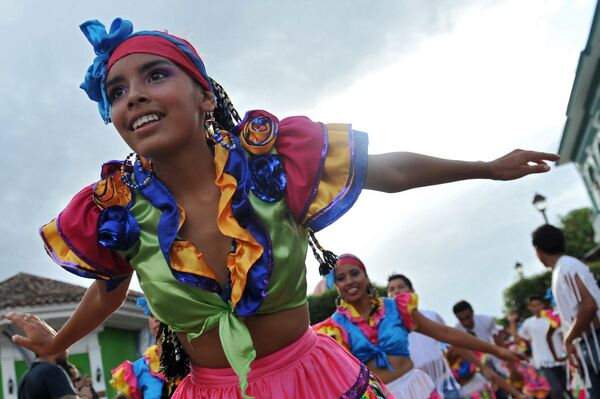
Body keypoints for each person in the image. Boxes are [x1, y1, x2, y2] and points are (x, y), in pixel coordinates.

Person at [3, 16, 557, 399]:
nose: (135, 96)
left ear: (204, 95)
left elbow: (388, 171)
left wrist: (485, 166)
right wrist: (58, 342)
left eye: (155, 75)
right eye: (118, 90)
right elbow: (109, 285)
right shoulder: (118, 209)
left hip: (313, 378)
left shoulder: (270, 162)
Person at [313, 254, 526, 399]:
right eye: (341, 278)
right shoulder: (333, 329)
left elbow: (444, 332)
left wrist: (497, 350)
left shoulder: (397, 308)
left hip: (418, 387)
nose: (349, 281)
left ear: (366, 277)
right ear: (336, 286)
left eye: (355, 273)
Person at [532, 224, 600, 398]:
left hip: (593, 340)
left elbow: (589, 305)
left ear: (538, 251)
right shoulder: (565, 267)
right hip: (587, 341)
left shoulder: (566, 267)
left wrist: (569, 338)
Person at [387, 273, 461, 399]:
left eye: (401, 287)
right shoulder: (386, 329)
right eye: (391, 289)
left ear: (412, 291)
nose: (396, 291)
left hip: (444, 385)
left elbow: (452, 340)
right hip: (417, 392)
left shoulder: (432, 316)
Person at [508, 296, 571, 399]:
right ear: (530, 308)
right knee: (556, 390)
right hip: (543, 362)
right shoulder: (528, 323)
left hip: (560, 359)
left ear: (543, 305)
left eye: (539, 305)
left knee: (569, 389)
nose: (537, 308)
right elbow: (518, 341)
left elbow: (563, 335)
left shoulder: (553, 317)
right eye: (533, 306)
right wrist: (512, 323)